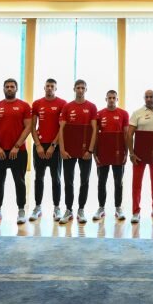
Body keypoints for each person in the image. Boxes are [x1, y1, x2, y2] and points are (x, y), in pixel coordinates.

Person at [0, 79, 32, 226]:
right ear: (3, 89)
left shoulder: (24, 106)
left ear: (16, 89)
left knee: (20, 182)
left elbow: (28, 127)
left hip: (18, 151)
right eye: (7, 86)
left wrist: (17, 146)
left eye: (12, 86)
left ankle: (21, 210)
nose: (10, 88)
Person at [58, 79, 98, 224]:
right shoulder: (67, 107)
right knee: (68, 181)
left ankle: (81, 210)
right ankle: (68, 210)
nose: (80, 90)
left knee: (84, 181)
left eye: (82, 88)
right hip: (68, 151)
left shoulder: (92, 107)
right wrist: (62, 149)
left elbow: (94, 130)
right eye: (78, 87)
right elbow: (61, 130)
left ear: (86, 90)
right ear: (74, 89)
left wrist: (90, 150)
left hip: (85, 152)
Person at [30, 78, 66, 222]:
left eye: (52, 86)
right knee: (39, 177)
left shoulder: (62, 103)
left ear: (55, 88)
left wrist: (53, 145)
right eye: (47, 86)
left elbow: (62, 128)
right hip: (40, 146)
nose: (50, 88)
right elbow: (32, 126)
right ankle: (37, 207)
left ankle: (57, 208)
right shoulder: (37, 103)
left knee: (55, 178)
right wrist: (38, 145)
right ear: (44, 88)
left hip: (54, 147)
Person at [128, 89, 153, 223]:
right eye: (147, 97)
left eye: (151, 97)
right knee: (136, 183)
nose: (149, 99)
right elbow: (129, 134)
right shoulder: (137, 113)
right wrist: (131, 153)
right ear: (144, 98)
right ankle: (135, 211)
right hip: (139, 154)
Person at [95, 90, 129, 221]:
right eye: (109, 98)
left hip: (118, 153)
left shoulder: (123, 114)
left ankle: (118, 208)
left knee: (118, 182)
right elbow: (96, 135)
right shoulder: (99, 114)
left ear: (117, 99)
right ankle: (101, 208)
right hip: (103, 153)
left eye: (114, 98)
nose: (111, 100)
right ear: (106, 99)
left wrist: (126, 153)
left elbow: (126, 134)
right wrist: (95, 154)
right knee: (101, 181)